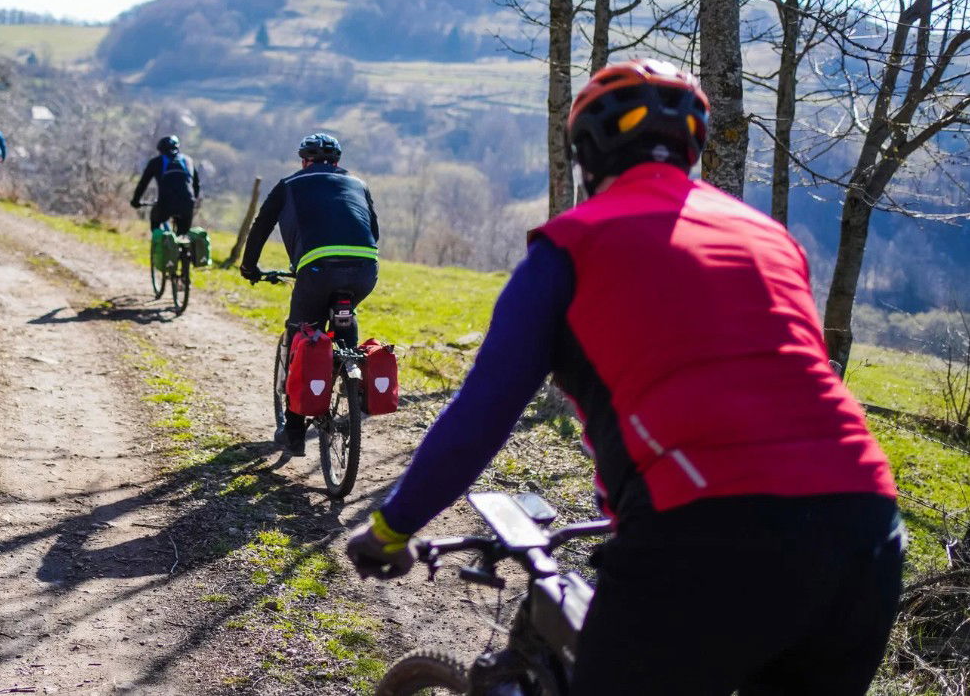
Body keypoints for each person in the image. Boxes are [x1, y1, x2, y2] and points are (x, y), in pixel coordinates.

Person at [346, 59, 902, 696]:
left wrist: (391, 528)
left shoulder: (571, 245)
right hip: (865, 528)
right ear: (692, 150)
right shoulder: (773, 240)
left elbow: (480, 416)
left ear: (586, 154)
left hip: (703, 536)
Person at [240, 133, 380, 456]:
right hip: (365, 269)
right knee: (347, 319)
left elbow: (261, 225)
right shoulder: (359, 184)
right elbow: (373, 231)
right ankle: (351, 380)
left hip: (317, 271)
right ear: (338, 163)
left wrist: (249, 267)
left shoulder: (289, 185)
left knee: (301, 332)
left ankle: (293, 431)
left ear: (304, 161)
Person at [130, 135, 201, 233]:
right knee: (184, 235)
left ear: (160, 150)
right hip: (187, 203)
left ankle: (158, 241)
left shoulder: (156, 162)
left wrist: (135, 201)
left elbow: (143, 184)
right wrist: (193, 201)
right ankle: (184, 246)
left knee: (155, 221)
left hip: (165, 203)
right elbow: (196, 185)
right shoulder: (188, 161)